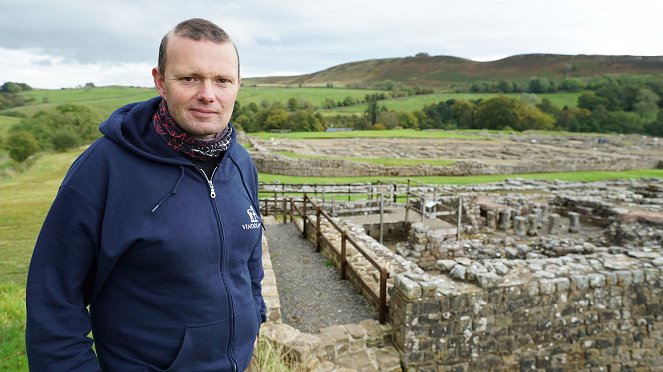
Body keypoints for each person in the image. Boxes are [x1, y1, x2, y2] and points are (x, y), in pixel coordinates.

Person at [25, 18, 265, 371]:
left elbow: (249, 255)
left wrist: (255, 315)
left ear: (238, 85)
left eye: (223, 80)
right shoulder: (104, 168)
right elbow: (53, 299)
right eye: (189, 78)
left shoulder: (241, 162)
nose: (208, 94)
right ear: (160, 81)